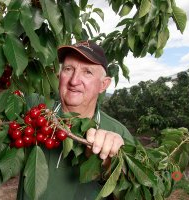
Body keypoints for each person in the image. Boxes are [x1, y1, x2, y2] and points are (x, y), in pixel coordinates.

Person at [17, 40, 135, 200]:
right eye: (68, 69)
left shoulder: (118, 133)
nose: (73, 81)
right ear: (59, 76)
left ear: (104, 84)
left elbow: (134, 192)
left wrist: (114, 168)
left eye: (87, 72)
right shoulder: (34, 110)